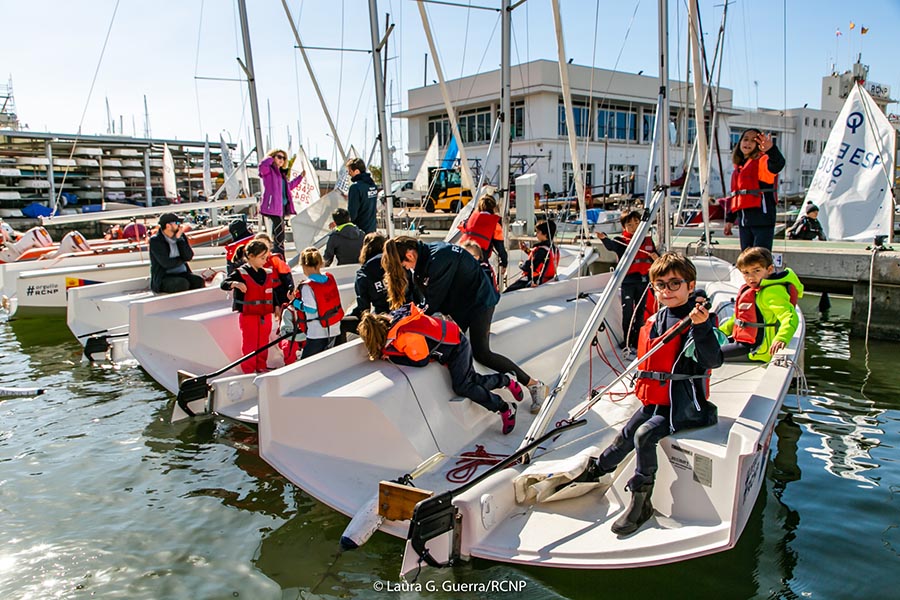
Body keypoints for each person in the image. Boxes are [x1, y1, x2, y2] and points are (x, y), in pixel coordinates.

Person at [576, 252, 723, 535]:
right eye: (661, 285)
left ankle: (641, 502)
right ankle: (597, 471)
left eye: (675, 284)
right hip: (656, 399)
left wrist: (703, 327)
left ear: (690, 286)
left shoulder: (699, 320)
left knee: (645, 435)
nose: (667, 290)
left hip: (683, 405)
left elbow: (712, 360)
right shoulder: (659, 318)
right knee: (628, 433)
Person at [382, 236, 548, 413]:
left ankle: (534, 385)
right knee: (449, 347)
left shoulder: (439, 258)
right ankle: (477, 382)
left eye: (404, 265)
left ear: (410, 255)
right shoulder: (424, 263)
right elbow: (423, 303)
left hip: (480, 301)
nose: (405, 268)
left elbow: (431, 304)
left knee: (482, 352)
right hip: (459, 302)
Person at [358, 303, 523, 434]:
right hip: (452, 342)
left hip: (457, 347)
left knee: (463, 386)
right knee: (472, 380)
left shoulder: (405, 336)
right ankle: (507, 380)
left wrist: (392, 357)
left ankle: (504, 407)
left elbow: (421, 361)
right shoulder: (393, 321)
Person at [719, 246, 803, 362]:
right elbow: (738, 319)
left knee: (704, 355)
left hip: (757, 349)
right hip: (745, 342)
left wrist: (781, 338)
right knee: (705, 346)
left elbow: (790, 317)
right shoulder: (755, 290)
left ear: (769, 269)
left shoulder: (772, 292)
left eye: (756, 271)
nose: (751, 277)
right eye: (746, 272)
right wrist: (719, 332)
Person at [596, 209, 660, 352]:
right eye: (629, 224)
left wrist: (656, 258)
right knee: (628, 312)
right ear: (624, 227)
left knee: (640, 312)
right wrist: (603, 238)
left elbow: (658, 258)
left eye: (636, 223)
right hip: (628, 282)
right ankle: (627, 340)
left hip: (643, 282)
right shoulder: (621, 241)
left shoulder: (648, 241)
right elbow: (611, 246)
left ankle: (637, 340)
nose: (634, 227)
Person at [221, 240, 280, 374]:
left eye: (266, 258)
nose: (265, 261)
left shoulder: (266, 273)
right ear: (251, 257)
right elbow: (224, 284)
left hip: (265, 315)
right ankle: (249, 370)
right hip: (249, 316)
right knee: (250, 344)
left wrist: (276, 306)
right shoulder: (241, 273)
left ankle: (261, 366)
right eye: (262, 258)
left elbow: (272, 292)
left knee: (263, 342)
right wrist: (235, 284)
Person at [724, 129, 786, 251]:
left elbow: (778, 164)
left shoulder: (762, 161)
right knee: (746, 259)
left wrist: (771, 149)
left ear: (758, 145)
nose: (748, 143)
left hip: (762, 220)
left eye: (753, 141)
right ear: (740, 142)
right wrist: (730, 220)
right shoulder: (739, 167)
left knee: (760, 258)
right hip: (744, 221)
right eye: (745, 139)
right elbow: (734, 196)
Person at [294, 247, 344, 359]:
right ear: (320, 263)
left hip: (317, 332)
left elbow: (311, 308)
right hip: (334, 327)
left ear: (304, 266)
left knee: (306, 362)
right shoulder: (329, 278)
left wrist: (295, 303)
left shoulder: (308, 286)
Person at [258, 149, 304, 256]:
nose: (281, 160)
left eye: (283, 158)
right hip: (272, 206)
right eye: (279, 157)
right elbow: (262, 167)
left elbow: (289, 187)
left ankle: (277, 254)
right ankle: (279, 254)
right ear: (273, 157)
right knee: (280, 232)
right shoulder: (268, 170)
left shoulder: (281, 175)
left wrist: (300, 177)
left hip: (281, 207)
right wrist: (270, 158)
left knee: (278, 231)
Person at [149, 213, 205, 294]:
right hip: (164, 277)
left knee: (198, 281)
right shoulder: (156, 241)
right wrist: (182, 259)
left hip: (182, 273)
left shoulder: (181, 236)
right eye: (177, 223)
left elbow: (189, 256)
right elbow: (166, 263)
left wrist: (179, 240)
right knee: (181, 284)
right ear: (168, 226)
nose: (180, 226)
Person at [458, 194, 508, 277]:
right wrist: (504, 263)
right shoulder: (495, 223)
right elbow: (500, 247)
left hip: (462, 253)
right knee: (488, 278)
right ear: (493, 208)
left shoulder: (471, 217)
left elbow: (463, 227)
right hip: (479, 256)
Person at [504, 220, 560, 293]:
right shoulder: (553, 249)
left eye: (538, 232)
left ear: (545, 234)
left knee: (506, 293)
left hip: (534, 281)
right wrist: (526, 250)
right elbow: (540, 259)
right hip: (547, 280)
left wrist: (520, 264)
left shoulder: (541, 250)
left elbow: (528, 267)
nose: (536, 234)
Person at [346, 158, 378, 234]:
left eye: (350, 171)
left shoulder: (355, 187)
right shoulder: (372, 185)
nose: (349, 174)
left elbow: (352, 214)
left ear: (357, 171)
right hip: (372, 228)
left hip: (360, 231)